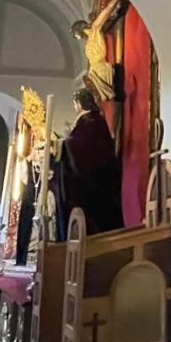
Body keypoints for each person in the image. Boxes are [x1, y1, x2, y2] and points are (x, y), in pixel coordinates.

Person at [58, 88, 125, 235]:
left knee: (95, 215)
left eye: (75, 103)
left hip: (94, 179)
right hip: (99, 175)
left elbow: (80, 145)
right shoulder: (96, 119)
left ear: (80, 103)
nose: (74, 106)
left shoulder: (89, 120)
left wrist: (63, 144)